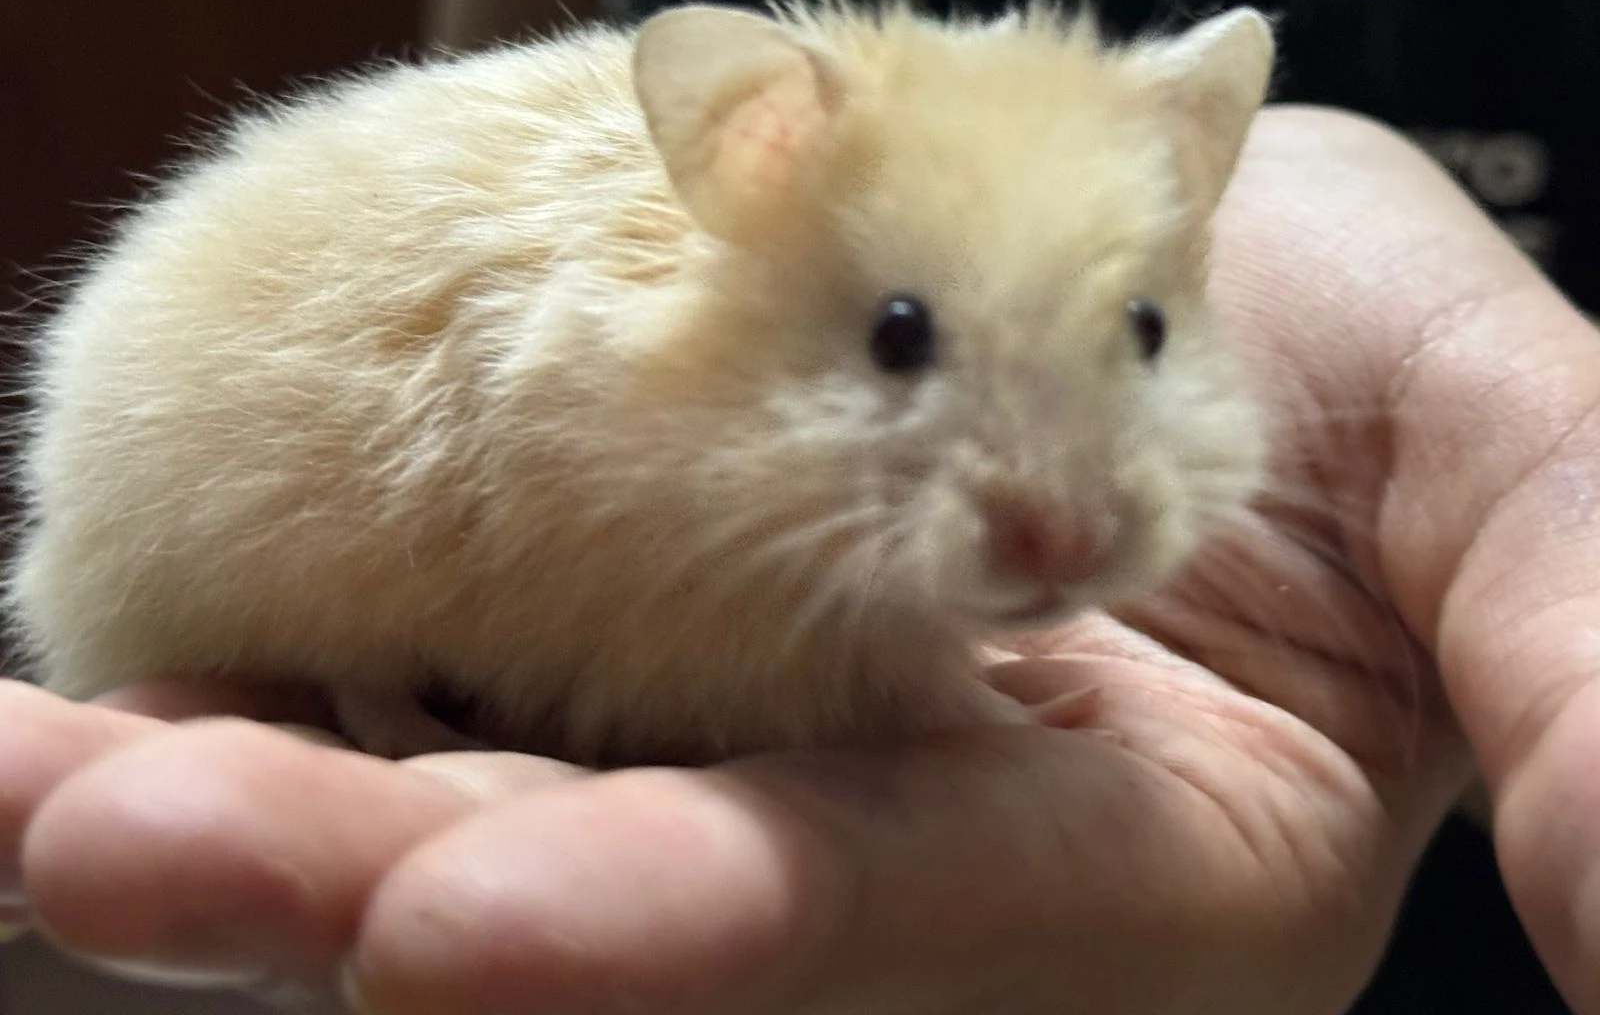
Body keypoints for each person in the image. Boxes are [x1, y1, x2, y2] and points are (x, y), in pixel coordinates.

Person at [1, 103, 1597, 1014]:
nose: (1058, 521)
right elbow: (650, 667)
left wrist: (1426, 660)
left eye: (1136, 337)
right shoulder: (617, 383)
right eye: (901, 342)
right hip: (239, 525)